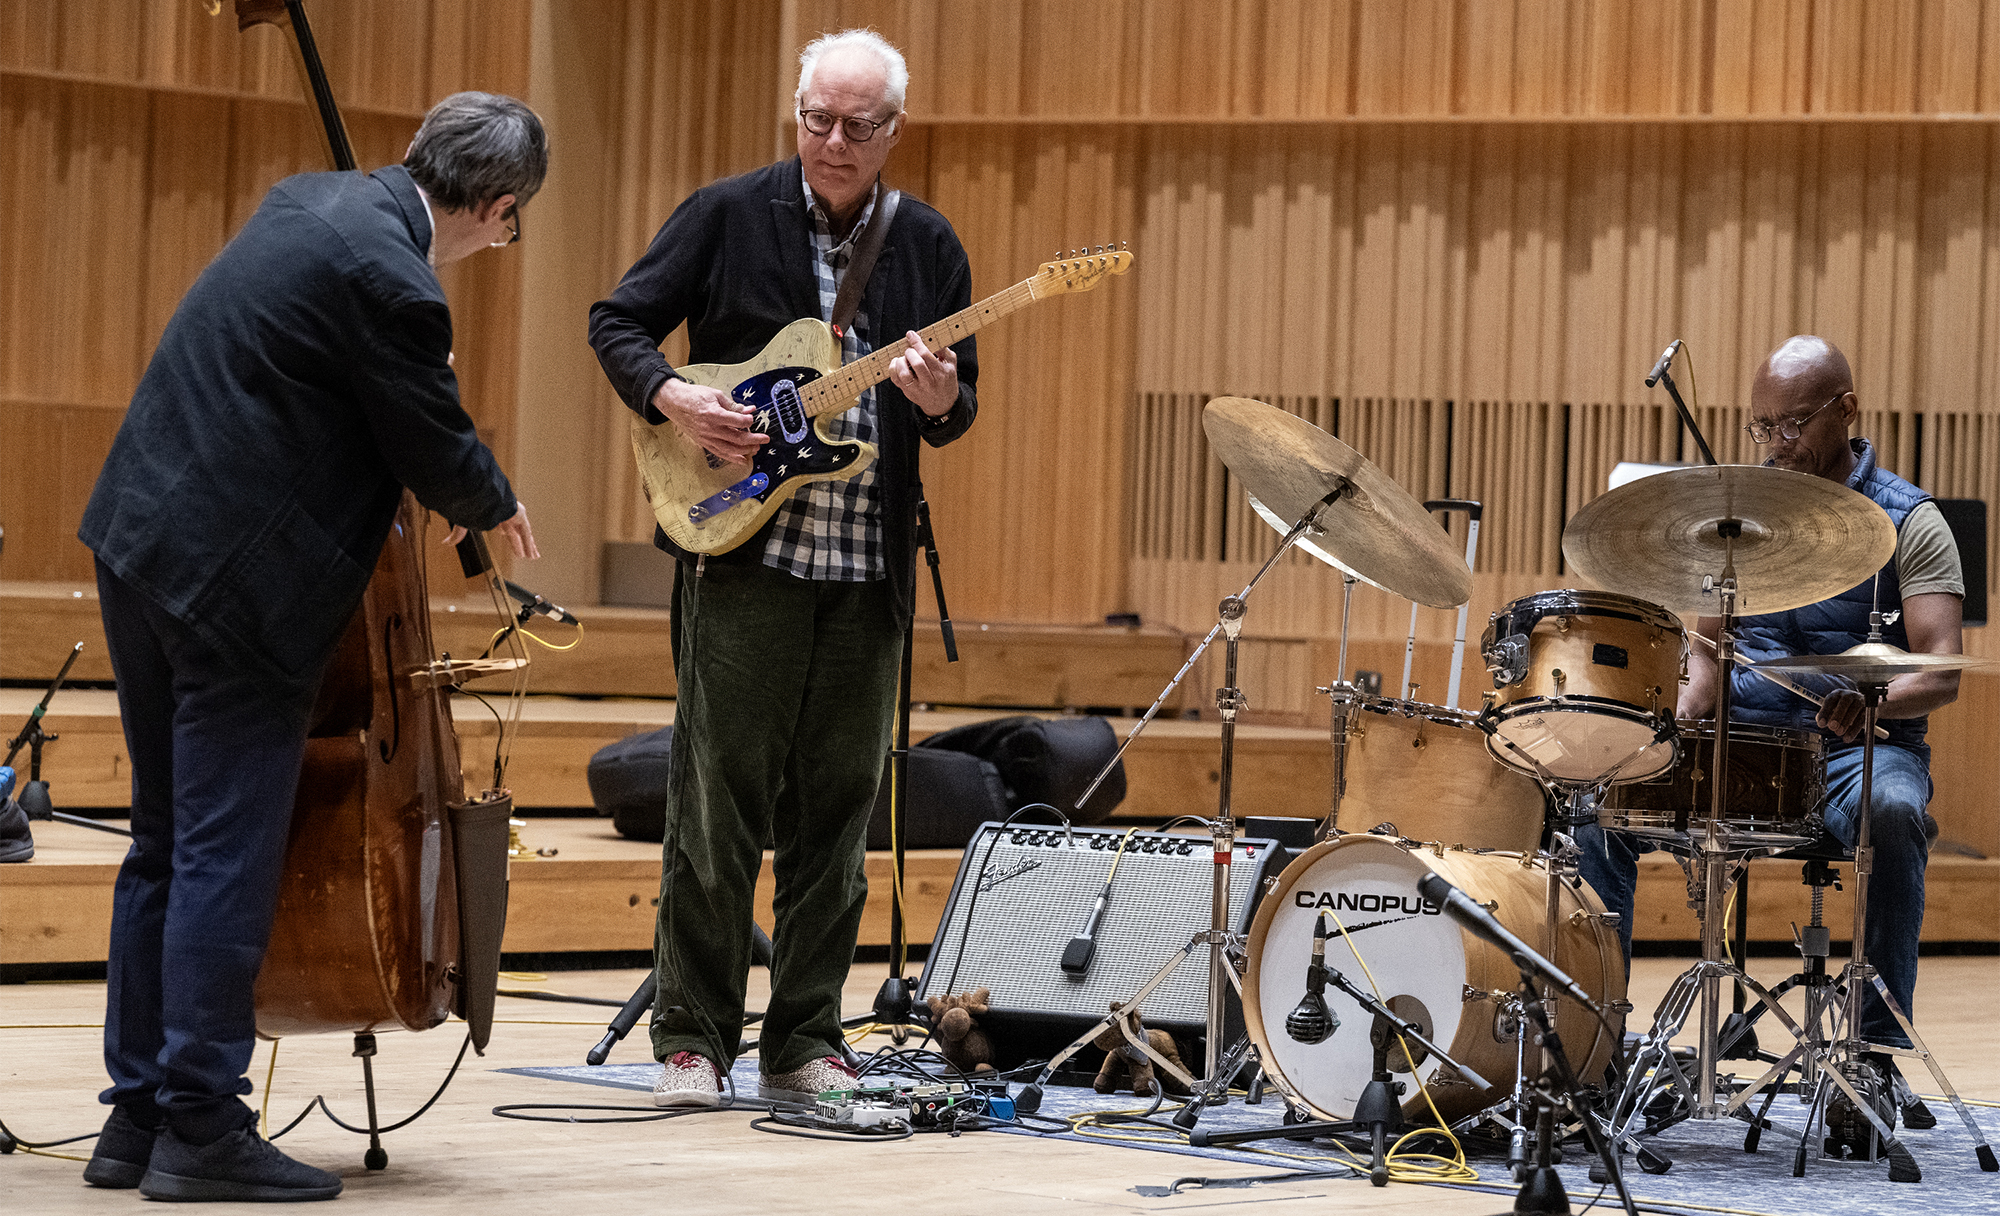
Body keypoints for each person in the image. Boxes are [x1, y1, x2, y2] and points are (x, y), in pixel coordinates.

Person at [75, 92, 546, 1201]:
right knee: (220, 852)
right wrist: (493, 506)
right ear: (496, 204)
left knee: (161, 840)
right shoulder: (395, 280)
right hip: (233, 593)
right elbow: (428, 431)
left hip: (137, 544)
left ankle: (135, 1116)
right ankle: (201, 1121)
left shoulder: (309, 203)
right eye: (506, 227)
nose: (497, 243)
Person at [588, 29, 977, 1109]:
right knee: (715, 809)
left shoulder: (927, 246)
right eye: (817, 119)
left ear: (893, 131)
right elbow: (615, 321)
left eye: (858, 125)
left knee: (837, 818)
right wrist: (675, 397)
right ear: (796, 113)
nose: (833, 141)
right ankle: (690, 1037)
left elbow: (956, 410)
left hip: (864, 578)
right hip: (740, 560)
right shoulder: (724, 213)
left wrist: (938, 399)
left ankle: (805, 1036)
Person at [1575, 334, 1963, 1124]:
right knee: (1597, 806)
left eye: (1793, 426)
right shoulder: (1739, 519)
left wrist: (1876, 707)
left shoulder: (1913, 521)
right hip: (1745, 746)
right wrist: (1675, 719)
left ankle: (1876, 1054)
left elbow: (1942, 672)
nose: (1777, 446)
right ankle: (1596, 1045)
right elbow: (1709, 658)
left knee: (1893, 815)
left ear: (1846, 410)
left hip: (1857, 751)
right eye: (1762, 428)